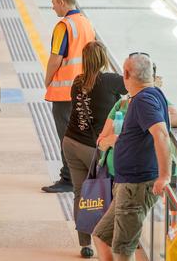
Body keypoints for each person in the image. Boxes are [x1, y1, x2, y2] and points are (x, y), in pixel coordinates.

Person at [92, 53, 171, 261]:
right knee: (101, 235)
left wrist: (164, 175)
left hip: (135, 186)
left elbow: (161, 133)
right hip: (126, 183)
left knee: (122, 250)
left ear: (126, 74)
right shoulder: (151, 94)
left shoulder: (144, 100)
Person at [60, 41, 126, 259]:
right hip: (92, 148)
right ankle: (105, 239)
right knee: (104, 194)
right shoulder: (109, 81)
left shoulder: (77, 82)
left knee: (81, 192)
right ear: (103, 59)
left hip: (70, 143)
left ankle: (85, 243)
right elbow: (136, 84)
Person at [42, 0, 95, 193]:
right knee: (80, 133)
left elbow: (56, 58)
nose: (53, 7)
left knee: (65, 136)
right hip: (85, 88)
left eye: (54, 3)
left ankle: (68, 178)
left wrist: (48, 80)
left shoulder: (64, 26)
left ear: (62, 2)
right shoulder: (86, 23)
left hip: (65, 92)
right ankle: (80, 176)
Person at [97, 62, 177, 178]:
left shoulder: (156, 102)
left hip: (139, 175)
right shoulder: (121, 105)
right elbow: (100, 142)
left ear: (153, 79)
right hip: (112, 173)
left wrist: (145, 120)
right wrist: (112, 141)